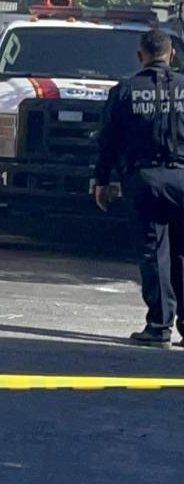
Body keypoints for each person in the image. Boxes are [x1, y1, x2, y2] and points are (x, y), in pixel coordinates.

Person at [94, 28, 184, 348]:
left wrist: (102, 180)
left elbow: (108, 142)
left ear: (140, 55)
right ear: (171, 55)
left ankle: (159, 326)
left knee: (154, 252)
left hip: (145, 180)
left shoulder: (124, 91)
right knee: (182, 253)